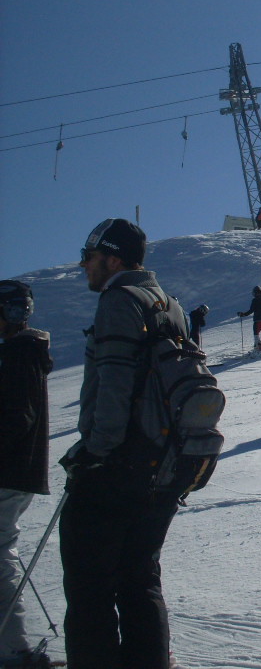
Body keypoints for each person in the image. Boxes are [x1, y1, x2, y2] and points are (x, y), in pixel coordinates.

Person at [58, 218, 183, 669]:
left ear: (111, 258)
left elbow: (113, 383)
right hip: (163, 466)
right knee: (140, 580)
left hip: (117, 468)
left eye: (89, 258)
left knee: (89, 589)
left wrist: (95, 452)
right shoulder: (168, 303)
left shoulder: (118, 300)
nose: (84, 266)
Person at [0, 281, 53, 668]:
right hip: (17, 471)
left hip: (9, 471)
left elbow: (17, 417)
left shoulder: (18, 353)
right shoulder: (22, 351)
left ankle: (14, 650)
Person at [237, 286, 261, 354]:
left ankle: (257, 348)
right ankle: (257, 347)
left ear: (255, 293)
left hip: (257, 319)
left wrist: (243, 314)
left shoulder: (255, 300)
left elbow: (251, 310)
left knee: (256, 333)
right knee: (257, 333)